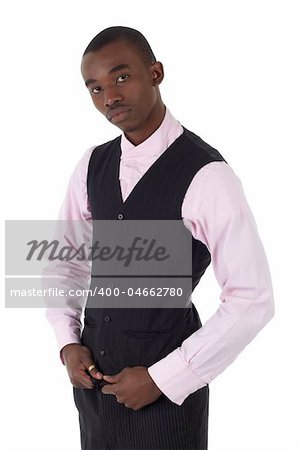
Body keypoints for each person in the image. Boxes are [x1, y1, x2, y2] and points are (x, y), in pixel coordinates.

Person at [45, 26, 275, 450]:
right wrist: (68, 342)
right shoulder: (91, 164)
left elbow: (252, 298)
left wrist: (163, 379)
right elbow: (65, 259)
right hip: (94, 390)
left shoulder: (207, 175)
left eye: (121, 77)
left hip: (166, 399)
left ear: (155, 73)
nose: (109, 97)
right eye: (94, 88)